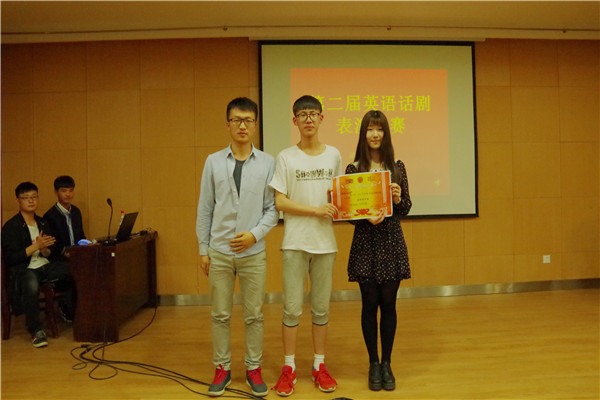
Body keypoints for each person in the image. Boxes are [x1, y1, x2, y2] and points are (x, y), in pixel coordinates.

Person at [196, 97, 279, 397]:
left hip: (253, 253)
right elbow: (205, 207)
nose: (242, 125)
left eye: (248, 120)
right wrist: (203, 248)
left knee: (254, 315)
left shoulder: (268, 163)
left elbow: (273, 209)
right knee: (220, 314)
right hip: (219, 251)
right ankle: (222, 368)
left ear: (255, 125)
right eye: (236, 120)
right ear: (228, 124)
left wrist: (254, 236)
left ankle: (253, 368)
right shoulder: (213, 161)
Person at [269, 95, 342, 397]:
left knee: (321, 310)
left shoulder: (334, 155)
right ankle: (289, 368)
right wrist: (315, 210)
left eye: (313, 114)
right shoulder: (286, 157)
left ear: (322, 118)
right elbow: (280, 202)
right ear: (295, 120)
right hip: (295, 243)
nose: (308, 119)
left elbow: (340, 197)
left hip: (325, 244)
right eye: (303, 114)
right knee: (291, 310)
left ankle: (319, 365)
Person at [345, 110, 412, 391]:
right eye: (370, 129)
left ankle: (387, 363)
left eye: (379, 129)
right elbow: (350, 215)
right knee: (369, 305)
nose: (375, 134)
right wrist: (365, 216)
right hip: (366, 243)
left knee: (389, 305)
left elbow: (406, 208)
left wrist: (397, 199)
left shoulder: (397, 167)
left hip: (390, 242)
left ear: (386, 133)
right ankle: (373, 362)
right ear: (363, 134)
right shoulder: (353, 169)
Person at [1, 182, 75, 348]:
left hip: (45, 265)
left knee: (75, 269)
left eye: (34, 197)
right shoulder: (11, 226)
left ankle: (79, 315)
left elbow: (48, 253)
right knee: (31, 283)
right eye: (26, 198)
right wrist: (35, 246)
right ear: (18, 201)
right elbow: (11, 258)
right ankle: (35, 329)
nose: (31, 201)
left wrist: (45, 250)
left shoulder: (42, 223)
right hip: (24, 269)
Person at [43, 175, 86, 262]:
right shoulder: (49, 215)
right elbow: (51, 243)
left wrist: (87, 245)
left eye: (71, 190)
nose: (68, 194)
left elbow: (81, 235)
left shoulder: (76, 211)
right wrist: (65, 252)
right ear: (56, 192)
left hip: (77, 254)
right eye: (64, 191)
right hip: (59, 258)